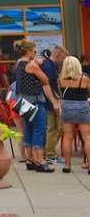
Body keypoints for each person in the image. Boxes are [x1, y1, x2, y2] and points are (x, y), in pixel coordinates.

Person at [13, 40, 59, 172]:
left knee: (28, 129)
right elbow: (45, 79)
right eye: (34, 51)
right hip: (35, 101)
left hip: (23, 101)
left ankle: (29, 160)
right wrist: (40, 64)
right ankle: (39, 160)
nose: (36, 53)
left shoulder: (19, 63)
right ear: (28, 52)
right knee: (39, 129)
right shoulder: (32, 64)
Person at [56, 55, 90, 173]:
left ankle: (67, 165)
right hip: (82, 107)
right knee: (87, 138)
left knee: (67, 137)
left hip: (67, 107)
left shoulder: (60, 79)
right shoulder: (84, 79)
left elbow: (60, 94)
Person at [40, 46, 67, 162]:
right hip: (50, 102)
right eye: (63, 58)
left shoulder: (49, 65)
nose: (63, 61)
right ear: (58, 54)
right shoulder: (48, 66)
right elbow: (47, 86)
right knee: (54, 128)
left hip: (50, 101)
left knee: (55, 128)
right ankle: (50, 155)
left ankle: (48, 152)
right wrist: (55, 101)